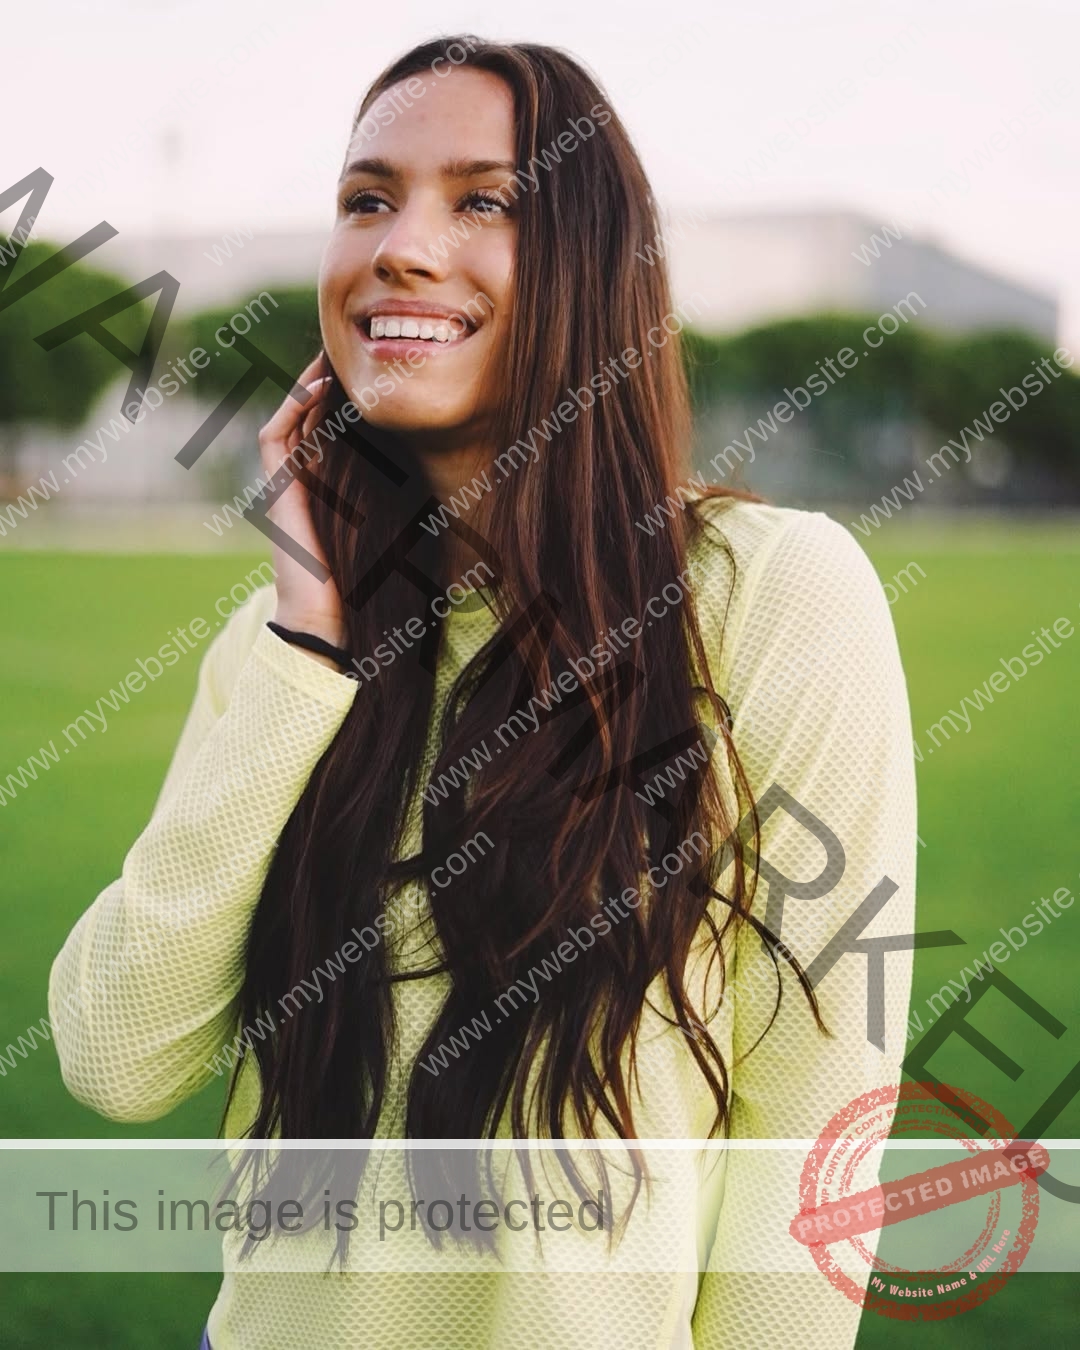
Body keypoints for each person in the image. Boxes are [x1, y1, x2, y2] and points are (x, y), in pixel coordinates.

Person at [48, 34, 917, 1350]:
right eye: (366, 198)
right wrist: (304, 654)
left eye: (484, 199)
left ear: (585, 268)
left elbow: (815, 1114)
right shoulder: (281, 643)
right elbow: (118, 1060)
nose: (399, 244)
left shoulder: (770, 591)